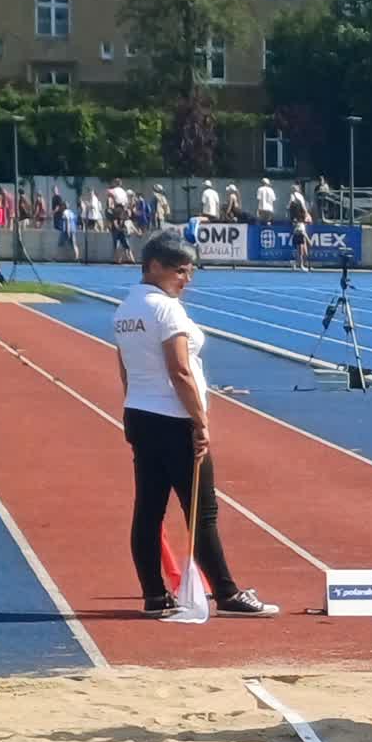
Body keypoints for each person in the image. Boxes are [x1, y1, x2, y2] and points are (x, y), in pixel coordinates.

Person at [113, 232, 278, 618]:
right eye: (180, 271)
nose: (186, 280)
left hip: (140, 414)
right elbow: (180, 370)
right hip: (175, 421)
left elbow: (125, 368)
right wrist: (200, 422)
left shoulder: (124, 310)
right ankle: (227, 594)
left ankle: (155, 595)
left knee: (148, 509)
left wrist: (133, 404)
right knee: (202, 512)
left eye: (190, 272)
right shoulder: (166, 310)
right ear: (155, 266)